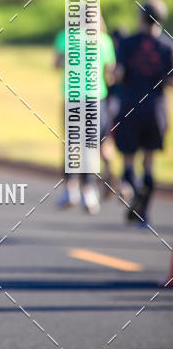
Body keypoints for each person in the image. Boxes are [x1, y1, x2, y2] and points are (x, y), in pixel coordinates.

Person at [114, 0, 173, 226]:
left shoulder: (127, 43)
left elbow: (118, 74)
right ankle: (143, 214)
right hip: (155, 110)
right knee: (148, 162)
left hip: (130, 106)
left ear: (140, 18)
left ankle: (135, 193)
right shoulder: (168, 46)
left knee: (128, 160)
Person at [53, 17, 116, 214]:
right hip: (94, 98)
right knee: (90, 145)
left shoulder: (66, 37)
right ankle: (88, 190)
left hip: (72, 96)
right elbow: (110, 73)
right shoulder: (104, 40)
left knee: (71, 143)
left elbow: (57, 63)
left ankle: (70, 188)